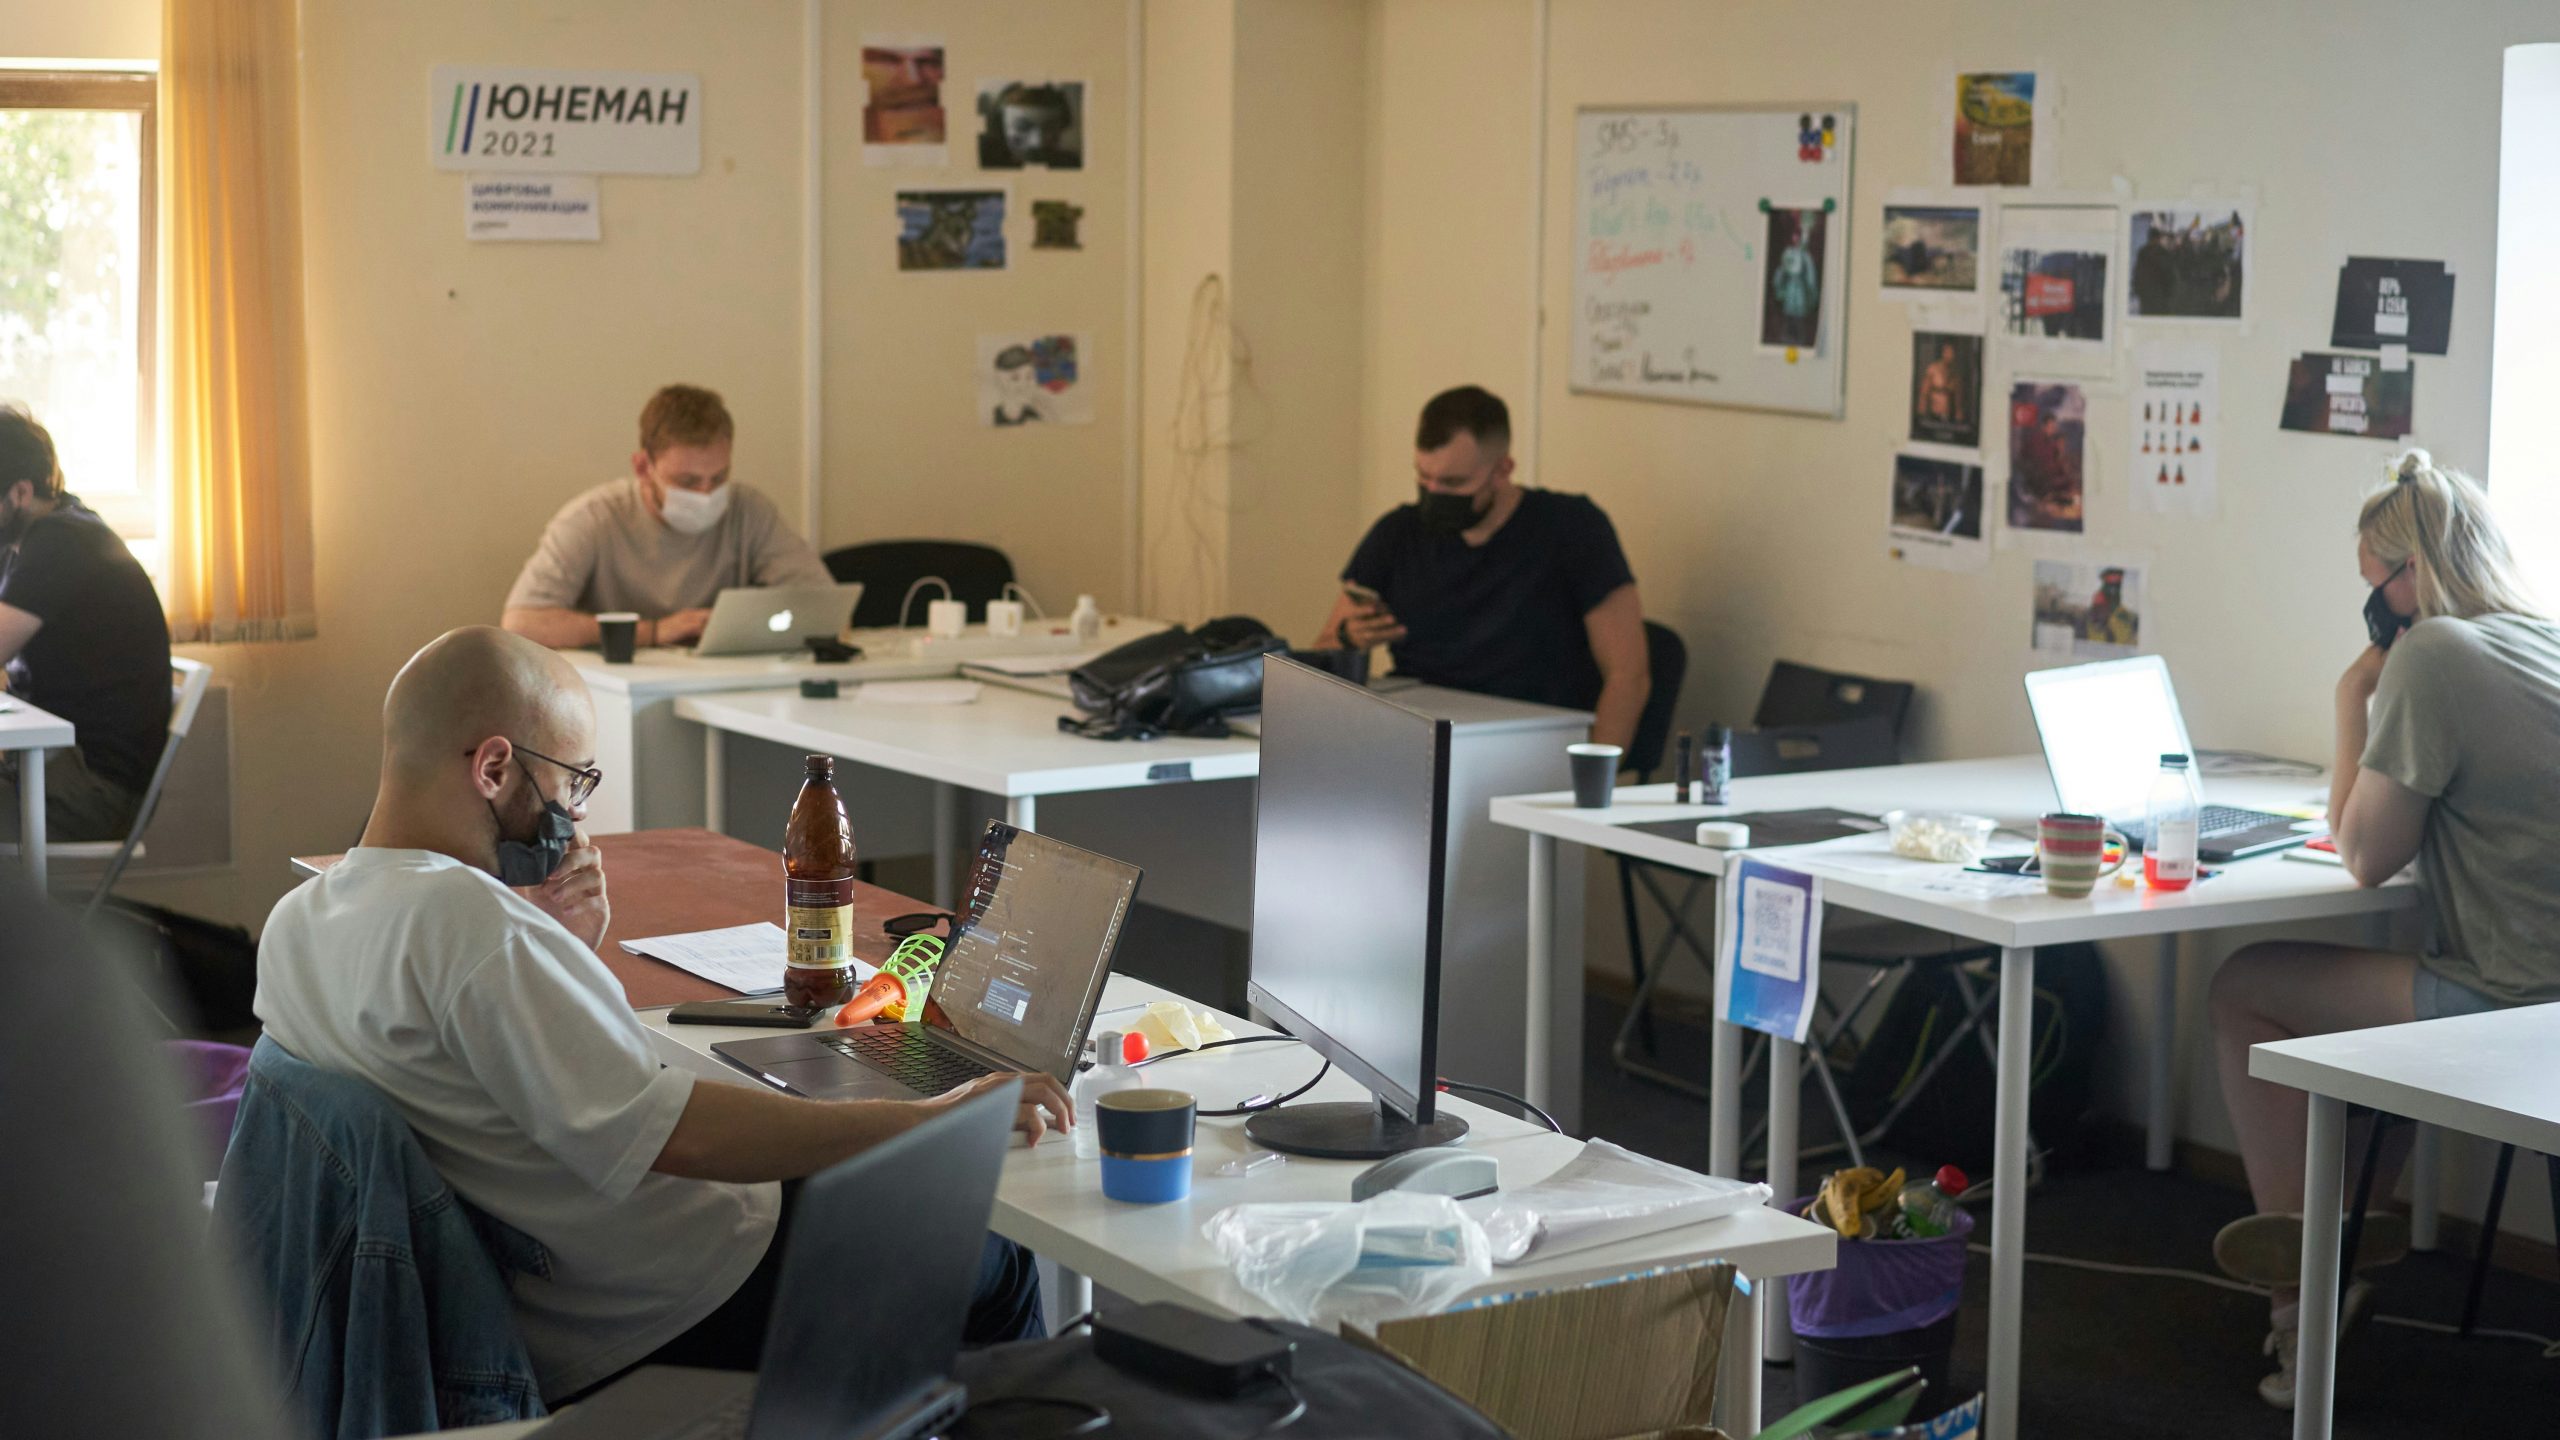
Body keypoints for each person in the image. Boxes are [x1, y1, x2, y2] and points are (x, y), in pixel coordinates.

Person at [252, 627, 1069, 1403]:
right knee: (996, 1255)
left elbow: (496, 1077)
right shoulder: (472, 930)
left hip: (556, 1285)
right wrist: (932, 1120)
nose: (575, 811)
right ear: (495, 768)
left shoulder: (301, 920)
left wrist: (562, 948)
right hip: (673, 1298)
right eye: (571, 780)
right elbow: (682, 1136)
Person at [2207, 449, 2560, 1410]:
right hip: (2545, 1000)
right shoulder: (2545, 640)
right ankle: (2344, 1235)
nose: (2376, 610)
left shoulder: (2435, 655)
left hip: (2511, 1003)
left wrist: (2350, 698)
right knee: (2371, 1023)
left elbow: (2365, 854)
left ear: (2415, 577)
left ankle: (2298, 1291)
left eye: (2377, 589)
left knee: (2245, 985)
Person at [1318, 386, 1649, 751]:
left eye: (1453, 482)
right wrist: (1350, 639)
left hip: (1528, 738)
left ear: (1502, 470)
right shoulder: (1398, 533)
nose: (1433, 492)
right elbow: (1323, 652)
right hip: (1418, 732)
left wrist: (1592, 784)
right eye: (1423, 477)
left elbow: (1628, 676)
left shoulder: (1572, 529)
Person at [502, 385, 832, 650]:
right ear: (643, 468)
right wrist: (654, 632)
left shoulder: (748, 510)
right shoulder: (593, 518)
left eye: (718, 478)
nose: (705, 494)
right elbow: (522, 623)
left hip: (723, 684)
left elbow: (826, 605)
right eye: (687, 482)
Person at [0, 404, 173, 842]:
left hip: (94, 788)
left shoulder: (63, 541)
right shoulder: (24, 541)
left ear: (19, 493)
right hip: (50, 766)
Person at [979, 82, 1078, 169]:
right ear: (1000, 128)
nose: (1037, 141)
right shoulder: (985, 161)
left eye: (1049, 127)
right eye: (1023, 127)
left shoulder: (1071, 164)